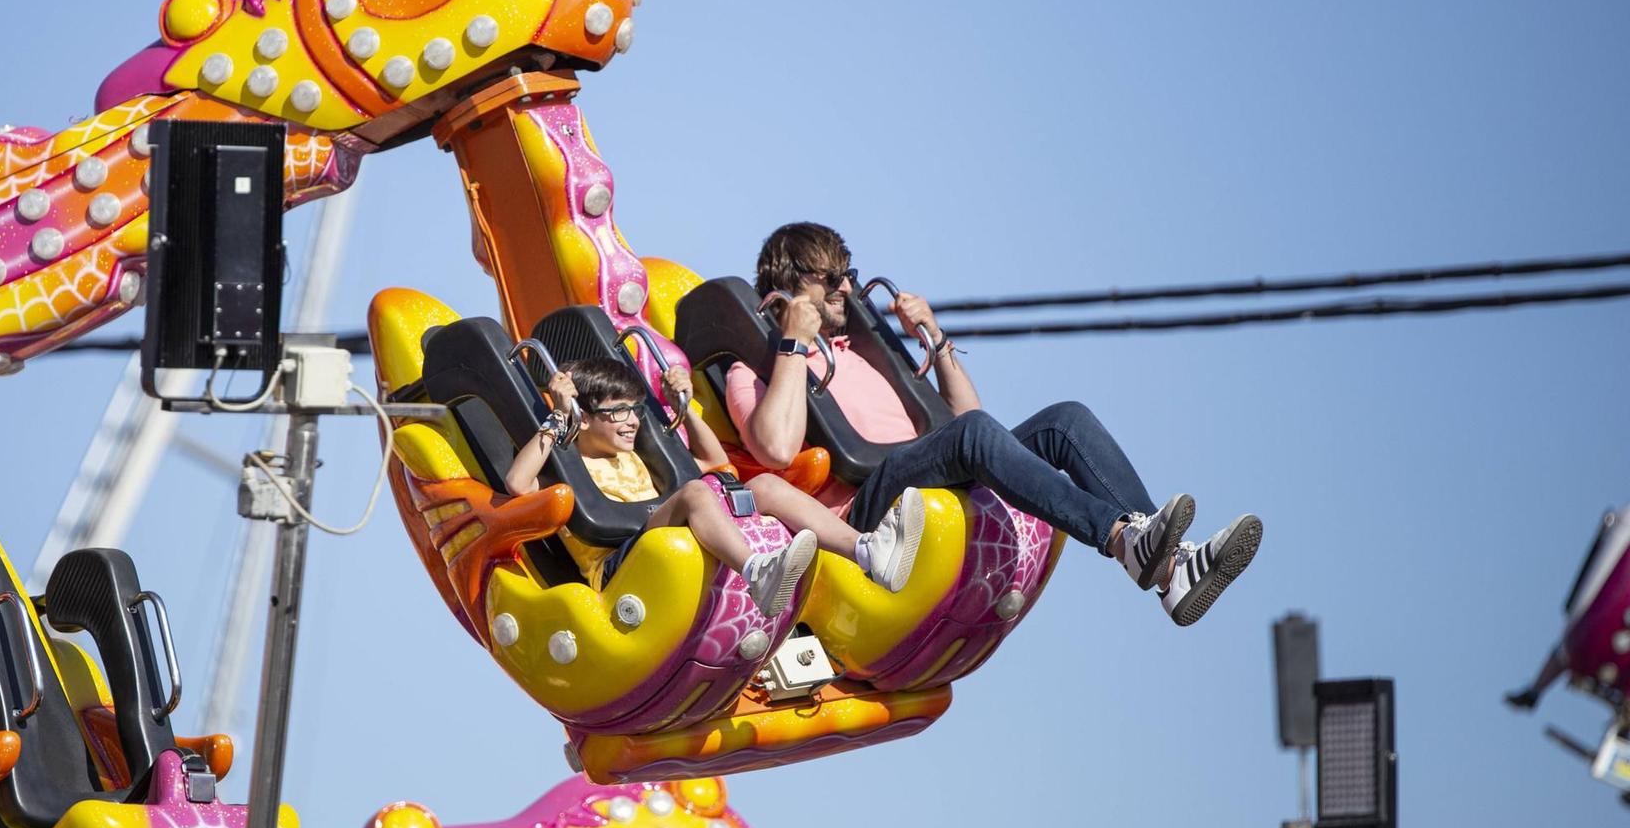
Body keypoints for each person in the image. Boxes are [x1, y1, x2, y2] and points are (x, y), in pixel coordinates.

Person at [723, 222, 1263, 626]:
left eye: (849, 275)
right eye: (831, 278)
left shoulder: (859, 352)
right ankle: (1123, 539)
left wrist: (932, 339)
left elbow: (971, 420)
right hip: (867, 507)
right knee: (972, 436)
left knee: (1065, 421)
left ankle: (1169, 570)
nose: (845, 287)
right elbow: (773, 447)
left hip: (929, 469)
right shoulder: (758, 367)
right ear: (794, 283)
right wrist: (793, 343)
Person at [503, 357, 924, 615]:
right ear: (585, 415)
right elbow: (517, 483)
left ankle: (868, 552)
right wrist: (559, 416)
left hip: (665, 536)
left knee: (762, 485)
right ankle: (758, 572)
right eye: (617, 412)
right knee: (696, 493)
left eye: (635, 410)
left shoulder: (633, 455)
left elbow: (710, 463)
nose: (632, 421)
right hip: (616, 568)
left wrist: (683, 410)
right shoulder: (567, 465)